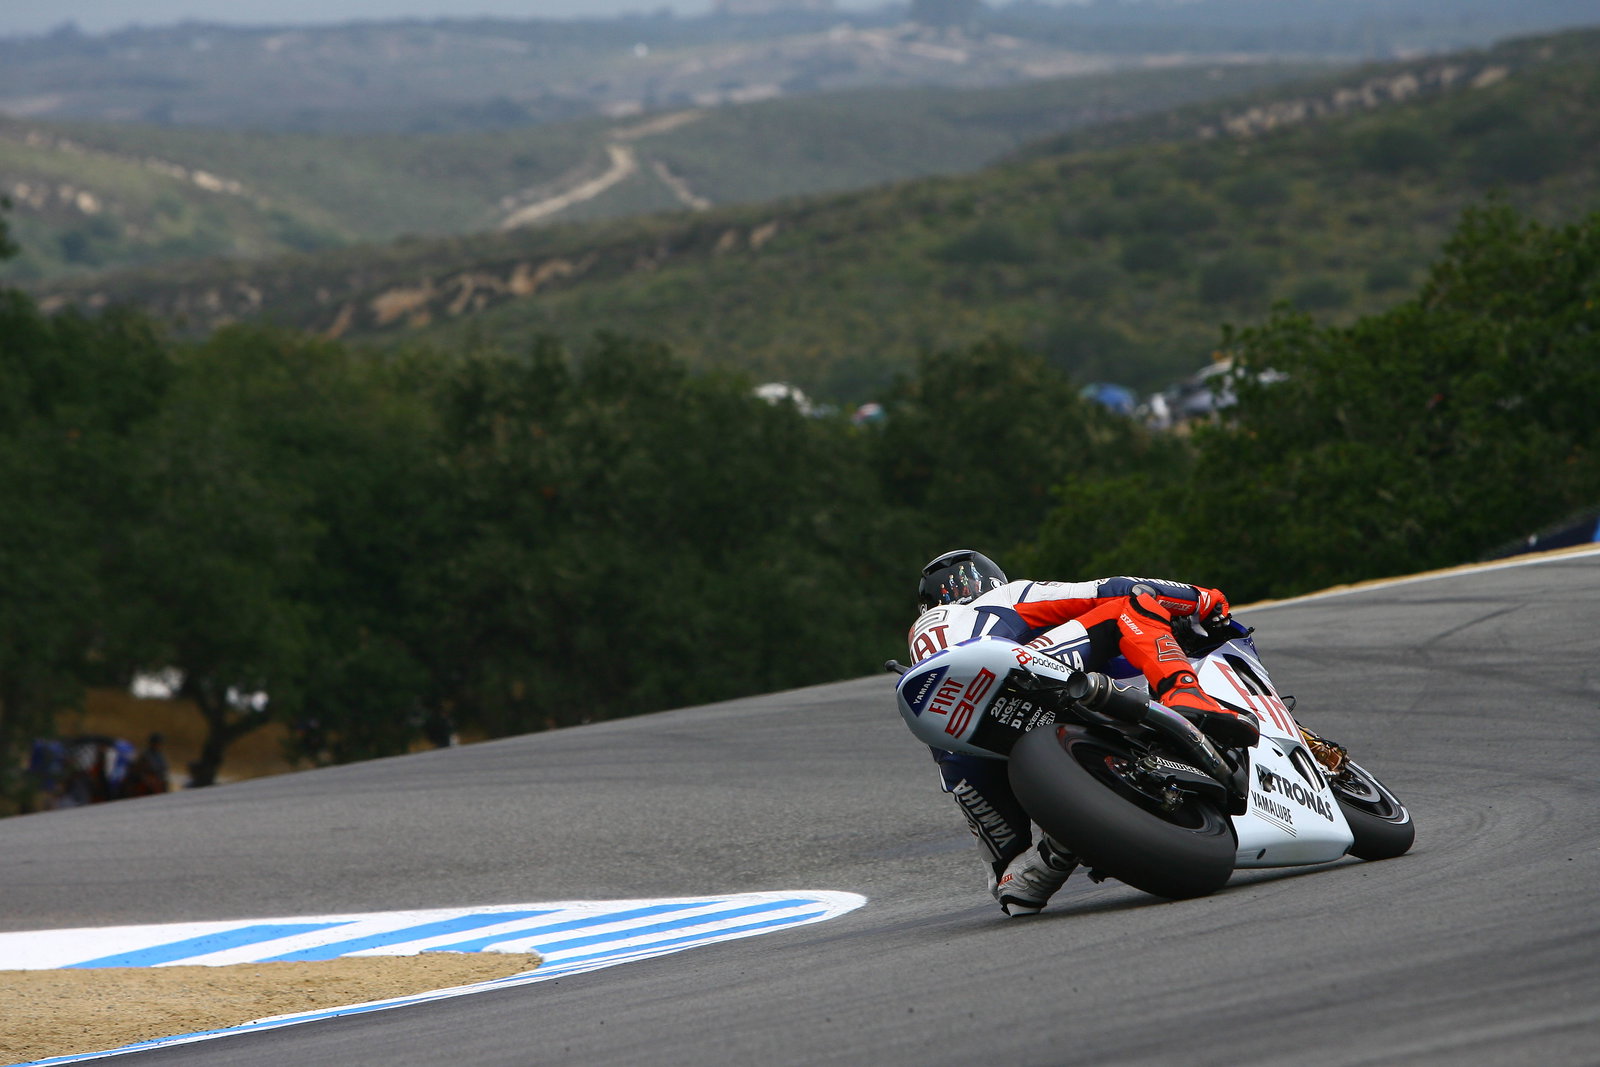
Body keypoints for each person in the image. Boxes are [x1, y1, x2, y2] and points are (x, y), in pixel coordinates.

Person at [905, 548, 1260, 917]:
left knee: (1011, 883)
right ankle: (1186, 694)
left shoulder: (923, 650)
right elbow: (1111, 589)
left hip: (960, 749)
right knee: (1126, 607)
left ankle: (1050, 856)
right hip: (1018, 676)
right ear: (991, 582)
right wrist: (1204, 600)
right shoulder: (1001, 598)